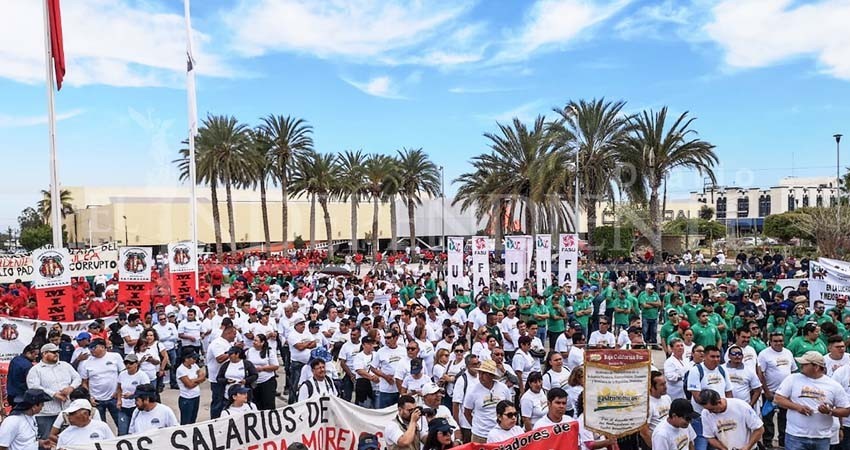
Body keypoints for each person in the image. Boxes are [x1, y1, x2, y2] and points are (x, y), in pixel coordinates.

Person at [774, 351, 850, 450]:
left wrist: (829, 411)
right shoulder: (792, 379)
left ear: (816, 367)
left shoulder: (833, 385)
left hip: (822, 438)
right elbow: (778, 398)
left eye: (805, 364)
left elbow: (846, 410)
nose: (801, 366)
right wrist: (798, 407)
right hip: (796, 436)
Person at [26, 343, 82, 441]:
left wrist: (71, 388)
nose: (56, 354)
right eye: (53, 352)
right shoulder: (35, 370)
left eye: (57, 352)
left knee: (68, 440)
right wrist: (54, 394)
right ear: (44, 354)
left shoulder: (65, 366)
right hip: (47, 413)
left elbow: (77, 378)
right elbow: (34, 387)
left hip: (67, 410)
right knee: (47, 440)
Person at [685, 345, 733, 450]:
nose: (716, 359)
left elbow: (729, 392)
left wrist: (726, 409)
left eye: (717, 357)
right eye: (712, 356)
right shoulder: (696, 371)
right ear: (705, 357)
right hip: (700, 418)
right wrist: (715, 406)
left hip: (719, 418)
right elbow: (697, 397)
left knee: (717, 446)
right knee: (701, 447)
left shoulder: (722, 370)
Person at [758, 332, 797, 449]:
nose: (778, 343)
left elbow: (793, 371)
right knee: (768, 419)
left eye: (780, 340)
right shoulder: (764, 354)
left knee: (784, 419)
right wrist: (767, 391)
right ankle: (768, 443)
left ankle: (783, 443)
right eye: (775, 341)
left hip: (786, 394)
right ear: (770, 342)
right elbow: (761, 373)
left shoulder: (788, 353)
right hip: (770, 393)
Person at [696, 389, 764, 450]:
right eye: (707, 409)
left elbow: (759, 429)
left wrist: (747, 447)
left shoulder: (741, 406)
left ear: (719, 402)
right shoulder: (706, 413)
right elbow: (710, 437)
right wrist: (723, 448)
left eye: (712, 409)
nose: (710, 412)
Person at [79, 338, 124, 429]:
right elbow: (84, 382)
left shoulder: (115, 356)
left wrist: (118, 392)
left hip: (114, 397)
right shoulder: (86, 363)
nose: (91, 350)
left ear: (103, 347)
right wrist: (89, 397)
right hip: (96, 400)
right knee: (100, 426)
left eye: (94, 348)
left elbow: (123, 375)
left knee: (121, 424)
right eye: (90, 348)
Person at [464, 359, 512, 443]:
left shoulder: (503, 388)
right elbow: (467, 412)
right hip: (480, 436)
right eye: (480, 373)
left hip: (500, 434)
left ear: (492, 375)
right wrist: (477, 427)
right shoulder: (472, 391)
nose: (480, 376)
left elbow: (509, 407)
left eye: (484, 373)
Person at [116, 353, 149, 435]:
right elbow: (119, 388)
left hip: (137, 407)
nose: (128, 365)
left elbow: (146, 391)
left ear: (137, 363)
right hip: (124, 407)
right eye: (126, 363)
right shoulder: (122, 374)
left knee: (137, 432)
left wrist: (132, 395)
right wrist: (119, 400)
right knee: (122, 432)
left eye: (131, 363)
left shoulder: (143, 376)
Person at [246, 334, 279, 410]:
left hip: (267, 381)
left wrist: (262, 368)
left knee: (268, 404)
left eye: (256, 341)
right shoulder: (249, 351)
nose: (254, 342)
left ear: (262, 342)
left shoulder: (269, 352)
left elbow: (276, 366)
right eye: (254, 340)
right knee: (256, 404)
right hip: (254, 382)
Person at [641, 370, 672, 448]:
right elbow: (644, 432)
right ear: (651, 387)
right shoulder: (647, 405)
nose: (665, 387)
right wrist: (656, 447)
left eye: (665, 383)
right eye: (661, 385)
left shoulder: (667, 398)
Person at [176, 352, 206, 425]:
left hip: (196, 396)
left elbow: (203, 376)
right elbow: (189, 385)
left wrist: (194, 380)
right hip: (187, 398)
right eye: (193, 358)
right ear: (186, 359)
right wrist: (199, 379)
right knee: (186, 421)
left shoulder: (194, 365)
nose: (195, 360)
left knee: (193, 419)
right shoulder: (181, 369)